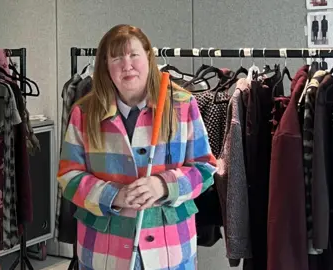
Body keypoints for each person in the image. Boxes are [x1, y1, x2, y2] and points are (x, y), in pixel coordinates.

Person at [57, 24, 217, 270]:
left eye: (133, 55)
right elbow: (69, 176)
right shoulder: (84, 112)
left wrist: (164, 185)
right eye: (117, 57)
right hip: (103, 253)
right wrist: (114, 195)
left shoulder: (183, 105)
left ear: (148, 58)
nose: (126, 64)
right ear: (106, 67)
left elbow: (205, 168)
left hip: (170, 252)